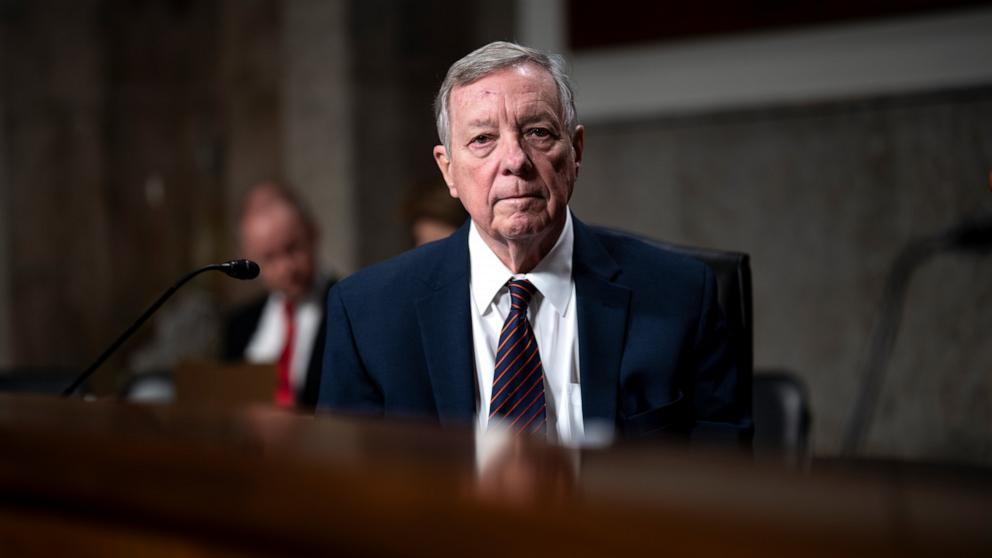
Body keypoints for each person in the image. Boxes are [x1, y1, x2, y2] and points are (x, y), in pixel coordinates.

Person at [319, 42, 751, 447]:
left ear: (576, 151)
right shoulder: (367, 316)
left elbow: (722, 483)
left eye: (538, 132)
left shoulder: (680, 296)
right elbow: (346, 499)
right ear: (448, 169)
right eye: (483, 139)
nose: (515, 161)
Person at [223, 183, 334, 410]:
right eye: (269, 258)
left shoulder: (347, 308)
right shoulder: (239, 326)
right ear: (249, 258)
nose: (286, 268)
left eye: (293, 248)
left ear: (312, 234)